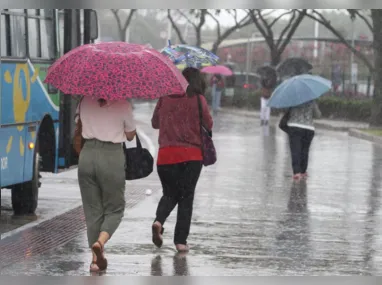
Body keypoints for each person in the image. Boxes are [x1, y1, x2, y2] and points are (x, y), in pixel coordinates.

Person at [151, 67, 213, 252]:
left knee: (169, 193)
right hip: (191, 156)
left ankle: (159, 221)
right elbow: (208, 124)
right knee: (186, 197)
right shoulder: (198, 99)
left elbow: (155, 123)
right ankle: (180, 241)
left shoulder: (165, 97)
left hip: (166, 156)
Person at [75, 97, 136, 272]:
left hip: (87, 156)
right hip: (111, 156)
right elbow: (131, 135)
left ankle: (95, 261)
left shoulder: (84, 102)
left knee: (92, 210)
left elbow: (78, 124)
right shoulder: (123, 104)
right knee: (115, 209)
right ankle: (100, 242)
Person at [286, 100, 321, 181]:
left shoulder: (293, 100)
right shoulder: (312, 101)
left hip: (295, 126)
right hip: (308, 128)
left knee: (296, 150)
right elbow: (318, 115)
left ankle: (297, 172)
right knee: (305, 151)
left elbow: (287, 111)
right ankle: (303, 171)